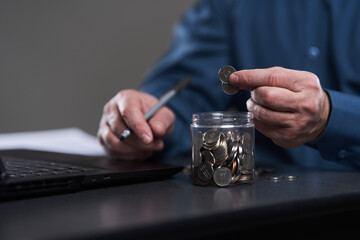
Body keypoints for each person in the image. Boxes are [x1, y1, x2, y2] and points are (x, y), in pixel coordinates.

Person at [97, 0, 360, 170]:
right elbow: (186, 91)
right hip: (258, 203)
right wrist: (151, 117)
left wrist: (332, 117)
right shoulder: (229, 5)